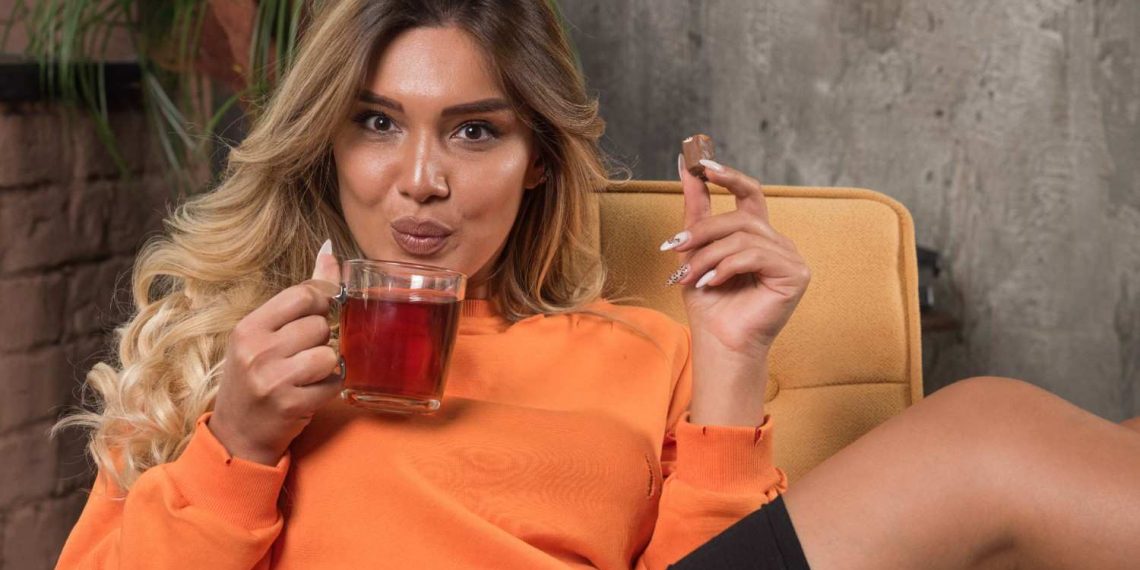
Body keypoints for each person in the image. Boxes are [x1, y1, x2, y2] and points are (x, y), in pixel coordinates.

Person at [54, 1, 1140, 569]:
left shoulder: (633, 350)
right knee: (994, 437)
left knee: (1053, 445)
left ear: (535, 163)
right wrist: (237, 451)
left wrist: (730, 361)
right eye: (377, 124)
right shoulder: (227, 357)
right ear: (325, 148)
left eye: (474, 132)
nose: (422, 180)